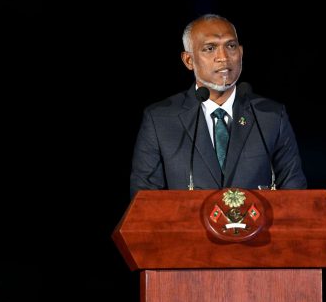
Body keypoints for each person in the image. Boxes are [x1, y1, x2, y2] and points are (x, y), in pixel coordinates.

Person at [129, 14, 307, 197]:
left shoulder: (271, 116)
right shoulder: (159, 120)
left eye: (231, 46)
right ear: (189, 60)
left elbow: (296, 196)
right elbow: (144, 202)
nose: (223, 57)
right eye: (210, 48)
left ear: (241, 53)